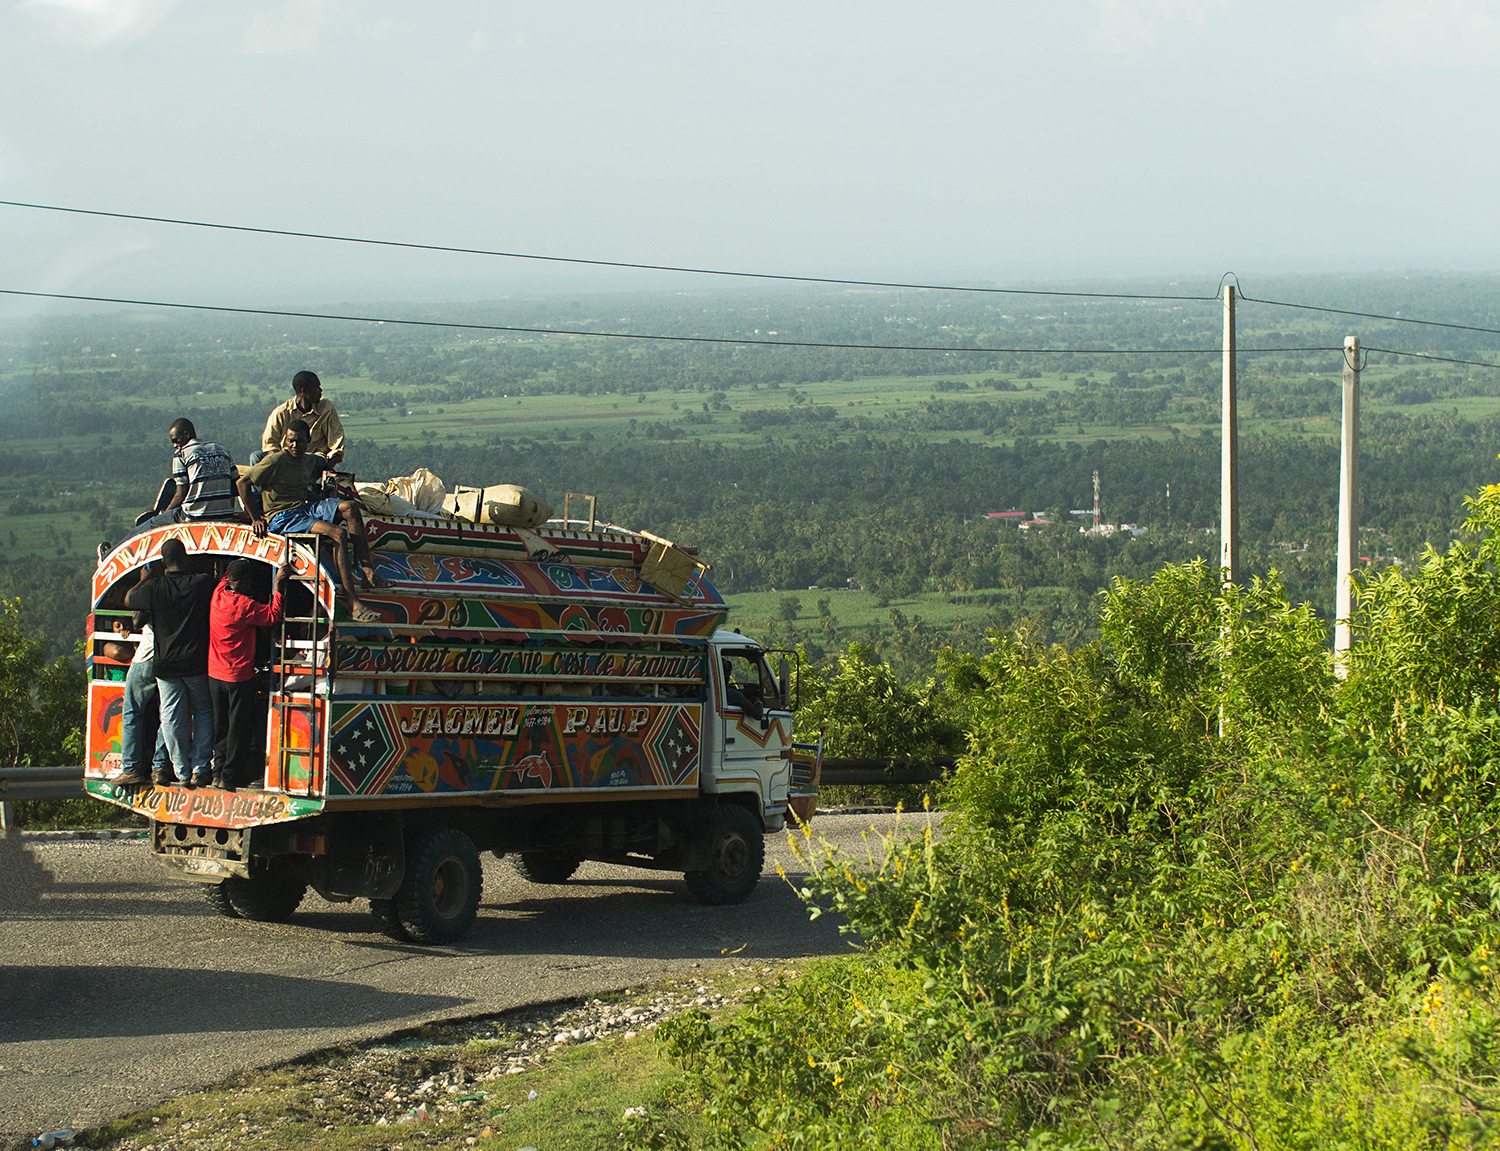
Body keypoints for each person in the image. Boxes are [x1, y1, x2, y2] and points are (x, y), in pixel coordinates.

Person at [237, 419, 385, 623]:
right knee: (337, 533)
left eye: (299, 441)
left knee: (350, 508)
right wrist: (255, 518)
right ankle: (352, 602)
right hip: (283, 516)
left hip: (304, 507)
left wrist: (331, 466)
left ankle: (367, 568)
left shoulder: (309, 460)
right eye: (290, 441)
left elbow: (323, 464)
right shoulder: (275, 461)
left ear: (308, 441)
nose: (294, 446)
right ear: (284, 441)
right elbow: (242, 482)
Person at [125, 538, 214, 787]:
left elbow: (130, 600)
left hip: (165, 665)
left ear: (164, 561)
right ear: (185, 557)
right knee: (203, 712)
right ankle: (201, 767)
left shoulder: (154, 588)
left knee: (171, 718)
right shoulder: (201, 583)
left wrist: (145, 577)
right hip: (196, 662)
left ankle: (181, 771)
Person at [209, 558, 287, 791]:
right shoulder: (245, 605)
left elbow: (226, 576)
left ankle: (217, 771)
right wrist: (278, 585)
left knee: (220, 726)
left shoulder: (218, 595)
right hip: (238, 677)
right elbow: (273, 615)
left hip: (214, 674)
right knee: (238, 729)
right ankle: (229, 777)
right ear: (243, 582)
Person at [109, 580, 173, 786]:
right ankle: (160, 766)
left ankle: (131, 768)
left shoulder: (154, 588)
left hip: (147, 656)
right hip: (173, 657)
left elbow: (137, 619)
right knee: (168, 714)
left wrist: (144, 579)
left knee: (132, 711)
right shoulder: (188, 588)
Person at [261, 370, 345, 465]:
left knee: (314, 460)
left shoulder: (326, 408)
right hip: (285, 459)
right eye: (316, 387)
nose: (321, 391)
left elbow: (337, 444)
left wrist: (330, 462)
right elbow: (270, 445)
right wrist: (282, 463)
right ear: (304, 390)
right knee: (256, 456)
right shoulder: (281, 413)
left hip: (313, 460)